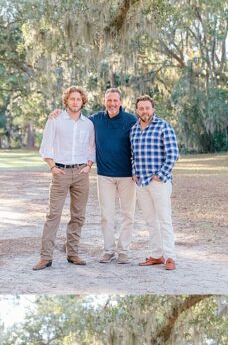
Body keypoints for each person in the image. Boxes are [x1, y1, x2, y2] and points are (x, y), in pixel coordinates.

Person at [49, 88, 137, 263]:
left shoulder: (131, 120)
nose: (112, 104)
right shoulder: (95, 120)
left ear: (121, 102)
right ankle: (109, 250)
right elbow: (75, 120)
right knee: (106, 215)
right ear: (105, 101)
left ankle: (124, 251)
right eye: (109, 100)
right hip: (104, 176)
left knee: (128, 215)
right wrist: (57, 113)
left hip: (128, 176)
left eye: (115, 100)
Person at [33, 85, 96, 271]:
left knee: (78, 215)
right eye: (72, 99)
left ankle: (73, 253)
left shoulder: (88, 124)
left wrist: (89, 165)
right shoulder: (55, 120)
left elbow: (91, 147)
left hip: (81, 174)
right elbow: (46, 146)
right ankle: (46, 257)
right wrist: (52, 166)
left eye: (78, 99)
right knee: (53, 215)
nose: (75, 102)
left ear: (82, 101)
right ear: (66, 100)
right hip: (60, 172)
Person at [130, 95, 179, 270]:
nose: (144, 111)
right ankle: (157, 255)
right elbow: (133, 156)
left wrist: (160, 175)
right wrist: (134, 173)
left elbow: (173, 154)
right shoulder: (134, 129)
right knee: (150, 221)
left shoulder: (163, 127)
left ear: (153, 109)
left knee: (164, 219)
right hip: (141, 183)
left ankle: (170, 257)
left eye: (147, 108)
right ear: (137, 110)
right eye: (141, 108)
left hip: (159, 183)